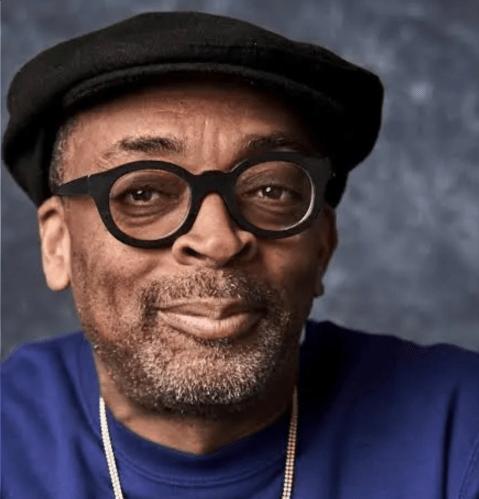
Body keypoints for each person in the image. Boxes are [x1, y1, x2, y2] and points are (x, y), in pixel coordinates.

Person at [1, 11, 478, 499]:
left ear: (323, 244)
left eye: (271, 190)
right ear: (57, 244)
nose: (218, 241)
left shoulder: (459, 427)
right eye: (143, 194)